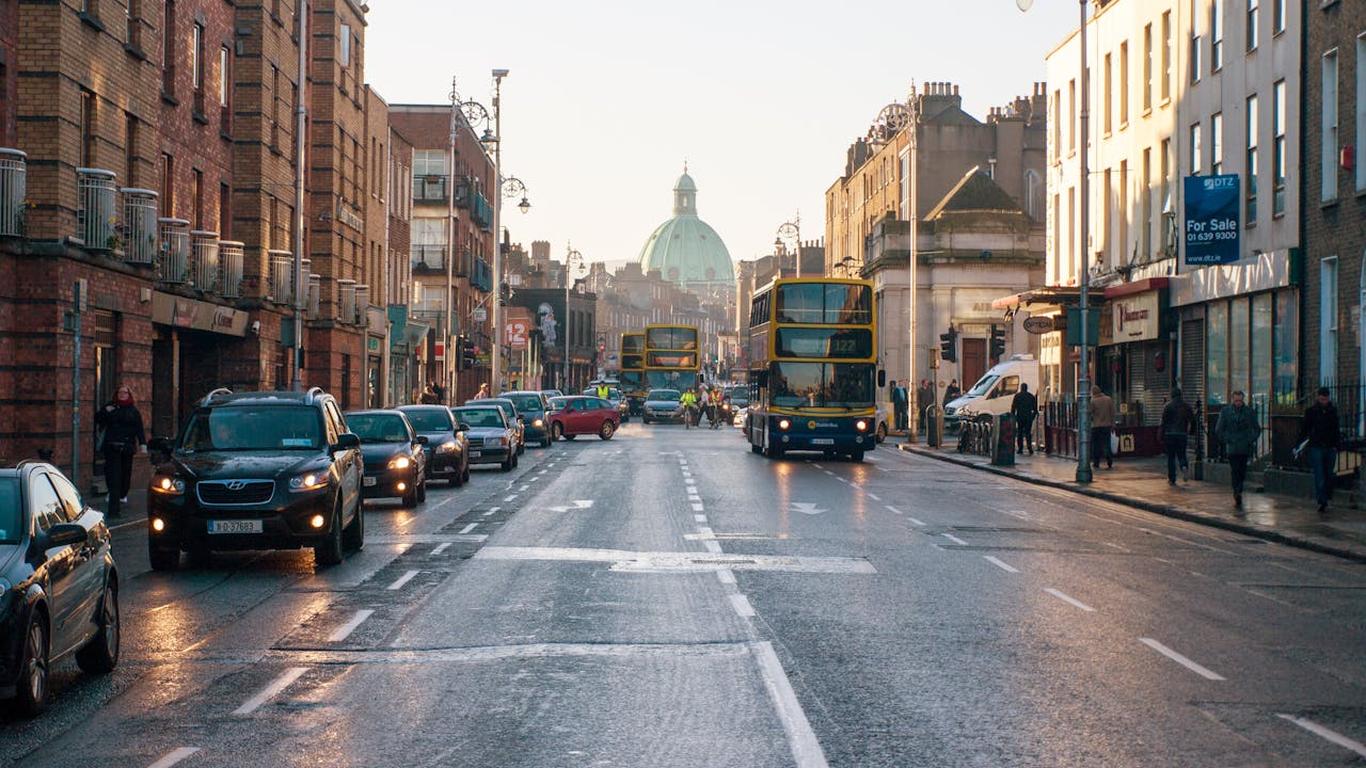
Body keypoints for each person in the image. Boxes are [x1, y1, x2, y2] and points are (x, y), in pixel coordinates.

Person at [94, 385, 146, 519]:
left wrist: (142, 444)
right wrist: (106, 411)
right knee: (114, 478)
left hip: (127, 448)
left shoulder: (133, 411)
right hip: (112, 447)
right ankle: (114, 510)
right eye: (120, 392)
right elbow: (98, 419)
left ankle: (122, 494)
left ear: (129, 395)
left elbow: (139, 428)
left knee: (125, 476)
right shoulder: (110, 407)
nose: (122, 395)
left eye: (125, 393)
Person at [1215, 390, 1260, 509]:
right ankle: (1237, 491)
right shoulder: (1225, 412)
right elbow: (1219, 429)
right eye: (1236, 401)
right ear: (1232, 400)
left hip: (1244, 446)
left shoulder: (1249, 412)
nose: (1238, 403)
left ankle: (1239, 489)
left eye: (1240, 400)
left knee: (1242, 470)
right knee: (1234, 470)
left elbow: (1256, 428)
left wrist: (1250, 439)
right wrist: (1227, 439)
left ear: (1243, 400)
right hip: (1232, 447)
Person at [1299, 387, 1341, 513]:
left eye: (1326, 399)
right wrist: (1299, 444)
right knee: (1319, 474)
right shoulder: (1311, 411)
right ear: (1318, 397)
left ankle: (1326, 495)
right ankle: (1322, 500)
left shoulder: (1332, 411)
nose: (1324, 401)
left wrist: (1337, 445)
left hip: (1330, 446)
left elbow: (1336, 429)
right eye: (1322, 399)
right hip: (1316, 446)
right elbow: (1305, 428)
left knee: (1329, 473)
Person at [1160, 388, 1196, 485]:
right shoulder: (1186, 406)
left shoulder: (1167, 406)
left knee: (1171, 457)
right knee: (1182, 454)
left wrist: (1160, 434)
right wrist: (1191, 431)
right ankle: (1184, 466)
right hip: (1182, 434)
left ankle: (1172, 479)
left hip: (1169, 434)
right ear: (1181, 395)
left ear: (1172, 395)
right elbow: (1192, 420)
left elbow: (1163, 422)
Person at [1089, 385, 1115, 469]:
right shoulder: (1108, 399)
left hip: (1096, 426)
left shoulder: (1093, 401)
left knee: (1096, 445)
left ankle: (1096, 462)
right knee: (1107, 444)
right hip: (1107, 426)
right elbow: (1112, 413)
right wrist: (1112, 424)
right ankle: (1109, 460)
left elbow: (1090, 413)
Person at [1011, 382, 1039, 455]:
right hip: (1028, 417)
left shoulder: (1017, 396)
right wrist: (1032, 417)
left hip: (1020, 416)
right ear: (1027, 388)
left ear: (1021, 388)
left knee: (1020, 433)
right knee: (1028, 433)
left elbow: (1013, 408)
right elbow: (1035, 409)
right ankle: (1030, 448)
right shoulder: (1031, 396)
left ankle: (1020, 449)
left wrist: (1013, 417)